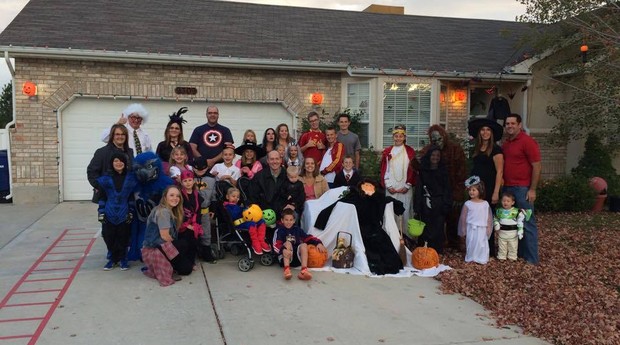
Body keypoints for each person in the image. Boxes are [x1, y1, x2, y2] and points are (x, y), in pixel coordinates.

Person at [416, 125, 467, 251]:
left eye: (439, 139)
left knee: (453, 217)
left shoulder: (455, 150)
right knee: (434, 220)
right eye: (434, 140)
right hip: (435, 191)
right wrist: (416, 161)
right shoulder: (428, 150)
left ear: (444, 137)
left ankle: (454, 243)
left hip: (452, 187)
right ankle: (434, 243)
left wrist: (458, 194)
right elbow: (420, 169)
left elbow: (462, 173)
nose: (437, 142)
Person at [502, 113, 541, 264]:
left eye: (513, 123)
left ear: (519, 125)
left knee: (527, 222)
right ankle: (518, 253)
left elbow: (536, 166)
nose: (510, 126)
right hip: (508, 189)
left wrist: (532, 189)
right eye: (507, 124)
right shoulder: (506, 144)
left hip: (523, 189)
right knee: (512, 223)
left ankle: (532, 259)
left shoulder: (527, 142)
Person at [141, 185, 193, 286]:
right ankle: (167, 264)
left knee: (187, 269)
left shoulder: (171, 210)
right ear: (165, 197)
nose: (175, 198)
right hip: (155, 249)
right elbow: (165, 236)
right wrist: (176, 249)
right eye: (172, 195)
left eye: (178, 196)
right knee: (183, 244)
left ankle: (172, 264)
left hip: (163, 247)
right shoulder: (163, 212)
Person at [468, 117, 504, 257]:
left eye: (488, 130)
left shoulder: (496, 150)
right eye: (482, 130)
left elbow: (499, 172)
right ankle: (476, 248)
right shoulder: (477, 149)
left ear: (492, 132)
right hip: (476, 190)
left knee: (487, 220)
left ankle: (488, 250)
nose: (485, 132)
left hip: (489, 188)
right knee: (476, 219)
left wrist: (496, 192)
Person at [97, 152, 137, 270]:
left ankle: (123, 259)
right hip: (109, 212)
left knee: (123, 237)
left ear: (125, 163)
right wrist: (101, 212)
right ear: (111, 163)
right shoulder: (105, 179)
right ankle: (112, 259)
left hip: (124, 213)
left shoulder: (130, 179)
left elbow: (131, 198)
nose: (118, 163)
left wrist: (130, 212)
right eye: (115, 161)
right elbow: (102, 197)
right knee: (108, 236)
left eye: (121, 161)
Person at [413, 146, 452, 254]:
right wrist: (418, 205)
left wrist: (446, 203)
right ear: (429, 156)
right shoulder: (423, 171)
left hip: (439, 202)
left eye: (438, 155)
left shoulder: (443, 171)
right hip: (426, 201)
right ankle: (424, 248)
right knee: (426, 225)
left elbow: (447, 188)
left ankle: (436, 249)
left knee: (438, 225)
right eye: (433, 155)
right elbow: (419, 189)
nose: (435, 157)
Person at [273, 208, 326, 280]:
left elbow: (308, 238)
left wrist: (318, 243)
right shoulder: (279, 230)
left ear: (294, 221)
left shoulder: (297, 230)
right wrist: (283, 250)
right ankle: (286, 270)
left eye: (291, 220)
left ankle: (303, 270)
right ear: (282, 220)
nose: (289, 222)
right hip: (284, 257)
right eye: (286, 220)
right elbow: (275, 244)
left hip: (297, 259)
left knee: (304, 245)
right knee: (288, 243)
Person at [87, 124, 134, 203]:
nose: (120, 137)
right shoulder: (102, 152)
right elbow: (92, 172)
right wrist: (102, 187)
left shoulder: (129, 152)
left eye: (123, 134)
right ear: (112, 136)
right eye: (117, 134)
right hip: (107, 198)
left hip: (126, 197)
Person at [380, 125, 415, 229]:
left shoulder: (410, 151)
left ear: (404, 137)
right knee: (390, 211)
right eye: (396, 136)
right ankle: (391, 236)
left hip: (405, 186)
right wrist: (388, 185)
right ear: (393, 137)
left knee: (405, 211)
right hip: (392, 186)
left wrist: (408, 185)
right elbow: (385, 169)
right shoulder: (388, 151)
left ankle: (405, 237)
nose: (398, 138)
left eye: (400, 136)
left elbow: (413, 169)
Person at [224, 188, 271, 255]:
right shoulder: (228, 207)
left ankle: (261, 240)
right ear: (227, 197)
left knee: (261, 221)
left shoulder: (237, 206)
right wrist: (243, 211)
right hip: (239, 223)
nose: (236, 198)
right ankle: (255, 243)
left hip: (245, 221)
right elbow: (234, 215)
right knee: (252, 224)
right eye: (233, 196)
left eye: (237, 197)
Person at [458, 176, 493, 264]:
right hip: (471, 227)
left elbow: (488, 217)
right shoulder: (468, 204)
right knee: (471, 242)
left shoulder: (485, 204)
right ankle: (471, 257)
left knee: (481, 244)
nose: (471, 192)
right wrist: (463, 229)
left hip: (482, 228)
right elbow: (463, 217)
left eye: (474, 190)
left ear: (480, 191)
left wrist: (488, 227)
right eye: (470, 190)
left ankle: (481, 258)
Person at [189, 105, 234, 170]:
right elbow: (192, 147)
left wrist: (213, 160)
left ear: (218, 115)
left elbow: (228, 149)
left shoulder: (226, 131)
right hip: (201, 168)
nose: (212, 115)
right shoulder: (198, 130)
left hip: (221, 168)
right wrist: (204, 160)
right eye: (210, 113)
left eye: (215, 113)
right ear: (206, 115)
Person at [249, 150, 289, 219]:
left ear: (281, 160)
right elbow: (253, 196)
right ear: (267, 160)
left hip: (284, 212)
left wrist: (291, 205)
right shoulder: (259, 176)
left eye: (277, 159)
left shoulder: (288, 175)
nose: (275, 162)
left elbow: (296, 193)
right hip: (264, 212)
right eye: (272, 159)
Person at [191, 159, 217, 263]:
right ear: (193, 168)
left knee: (206, 232)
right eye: (197, 169)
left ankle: (206, 253)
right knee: (192, 232)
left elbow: (214, 196)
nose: (200, 171)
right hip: (192, 211)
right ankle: (193, 253)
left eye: (203, 169)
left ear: (207, 168)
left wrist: (213, 209)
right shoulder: (190, 178)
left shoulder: (212, 179)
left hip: (205, 210)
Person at [493, 191, 530, 261]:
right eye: (504, 201)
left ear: (512, 202)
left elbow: (520, 222)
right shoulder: (499, 211)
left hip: (513, 233)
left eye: (508, 201)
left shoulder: (517, 212)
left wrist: (520, 231)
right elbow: (495, 218)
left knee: (513, 246)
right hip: (502, 233)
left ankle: (512, 257)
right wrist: (496, 224)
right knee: (501, 245)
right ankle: (501, 256)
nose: (505, 202)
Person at [179, 170, 204, 269]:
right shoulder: (180, 195)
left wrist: (196, 224)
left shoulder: (197, 195)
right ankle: (185, 261)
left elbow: (198, 211)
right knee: (185, 243)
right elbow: (178, 212)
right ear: (181, 182)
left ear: (194, 181)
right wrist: (186, 224)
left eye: (190, 180)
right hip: (183, 224)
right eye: (185, 181)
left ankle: (192, 261)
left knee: (194, 242)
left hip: (194, 223)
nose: (188, 183)